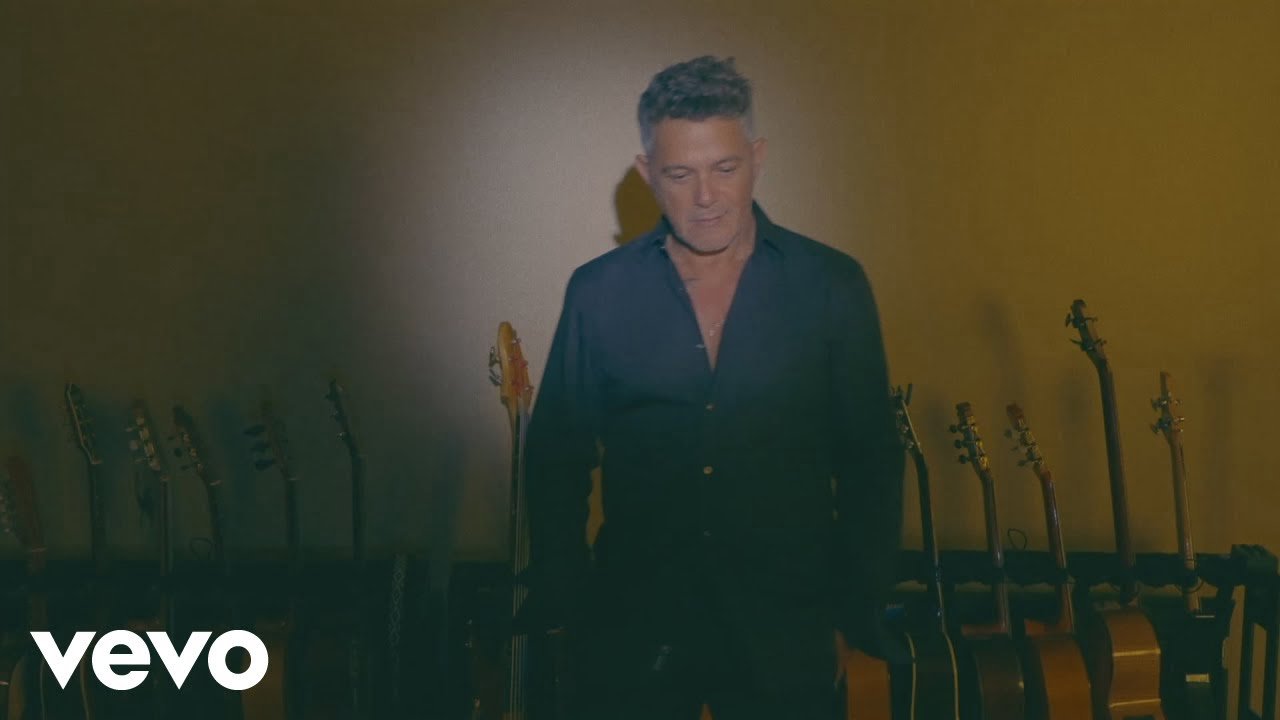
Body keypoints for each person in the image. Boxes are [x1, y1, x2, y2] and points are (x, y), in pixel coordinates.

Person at [522, 55, 908, 720]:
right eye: (680, 174)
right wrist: (569, 603)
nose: (705, 197)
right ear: (647, 173)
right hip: (633, 633)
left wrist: (858, 612)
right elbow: (557, 457)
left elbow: (871, 459)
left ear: (757, 158)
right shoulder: (600, 291)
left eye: (725, 168)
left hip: (788, 631)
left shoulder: (831, 284)